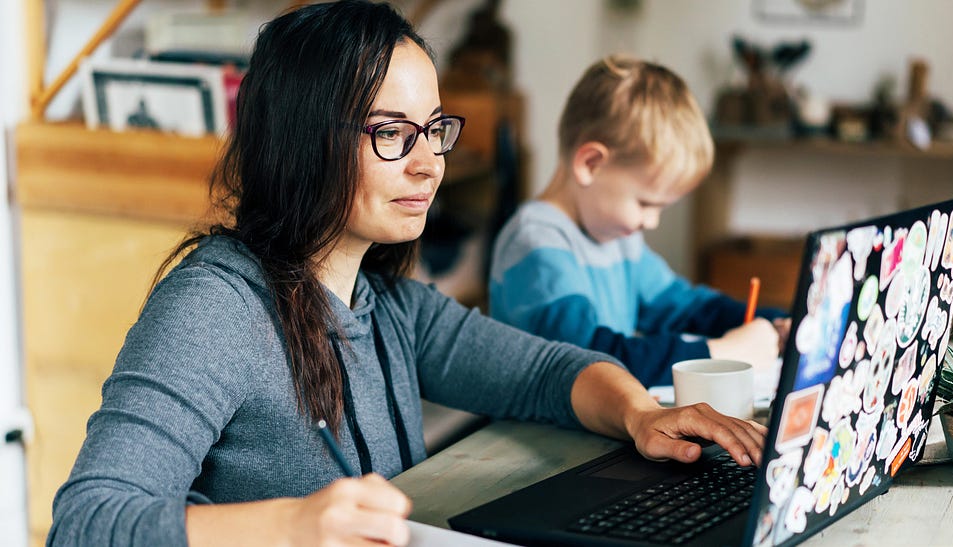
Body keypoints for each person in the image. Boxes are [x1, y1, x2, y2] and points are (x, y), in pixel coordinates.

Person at [48, 3, 767, 546]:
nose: (429, 163)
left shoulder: (387, 302)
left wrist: (641, 413)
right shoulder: (214, 308)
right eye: (392, 134)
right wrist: (292, 525)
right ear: (306, 141)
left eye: (433, 130)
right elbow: (87, 518)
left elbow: (544, 371)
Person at [489, 56, 790, 388]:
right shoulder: (536, 244)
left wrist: (774, 323)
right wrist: (718, 353)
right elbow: (594, 361)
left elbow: (684, 307)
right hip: (532, 434)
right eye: (646, 203)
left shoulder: (616, 237)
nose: (652, 221)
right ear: (591, 164)